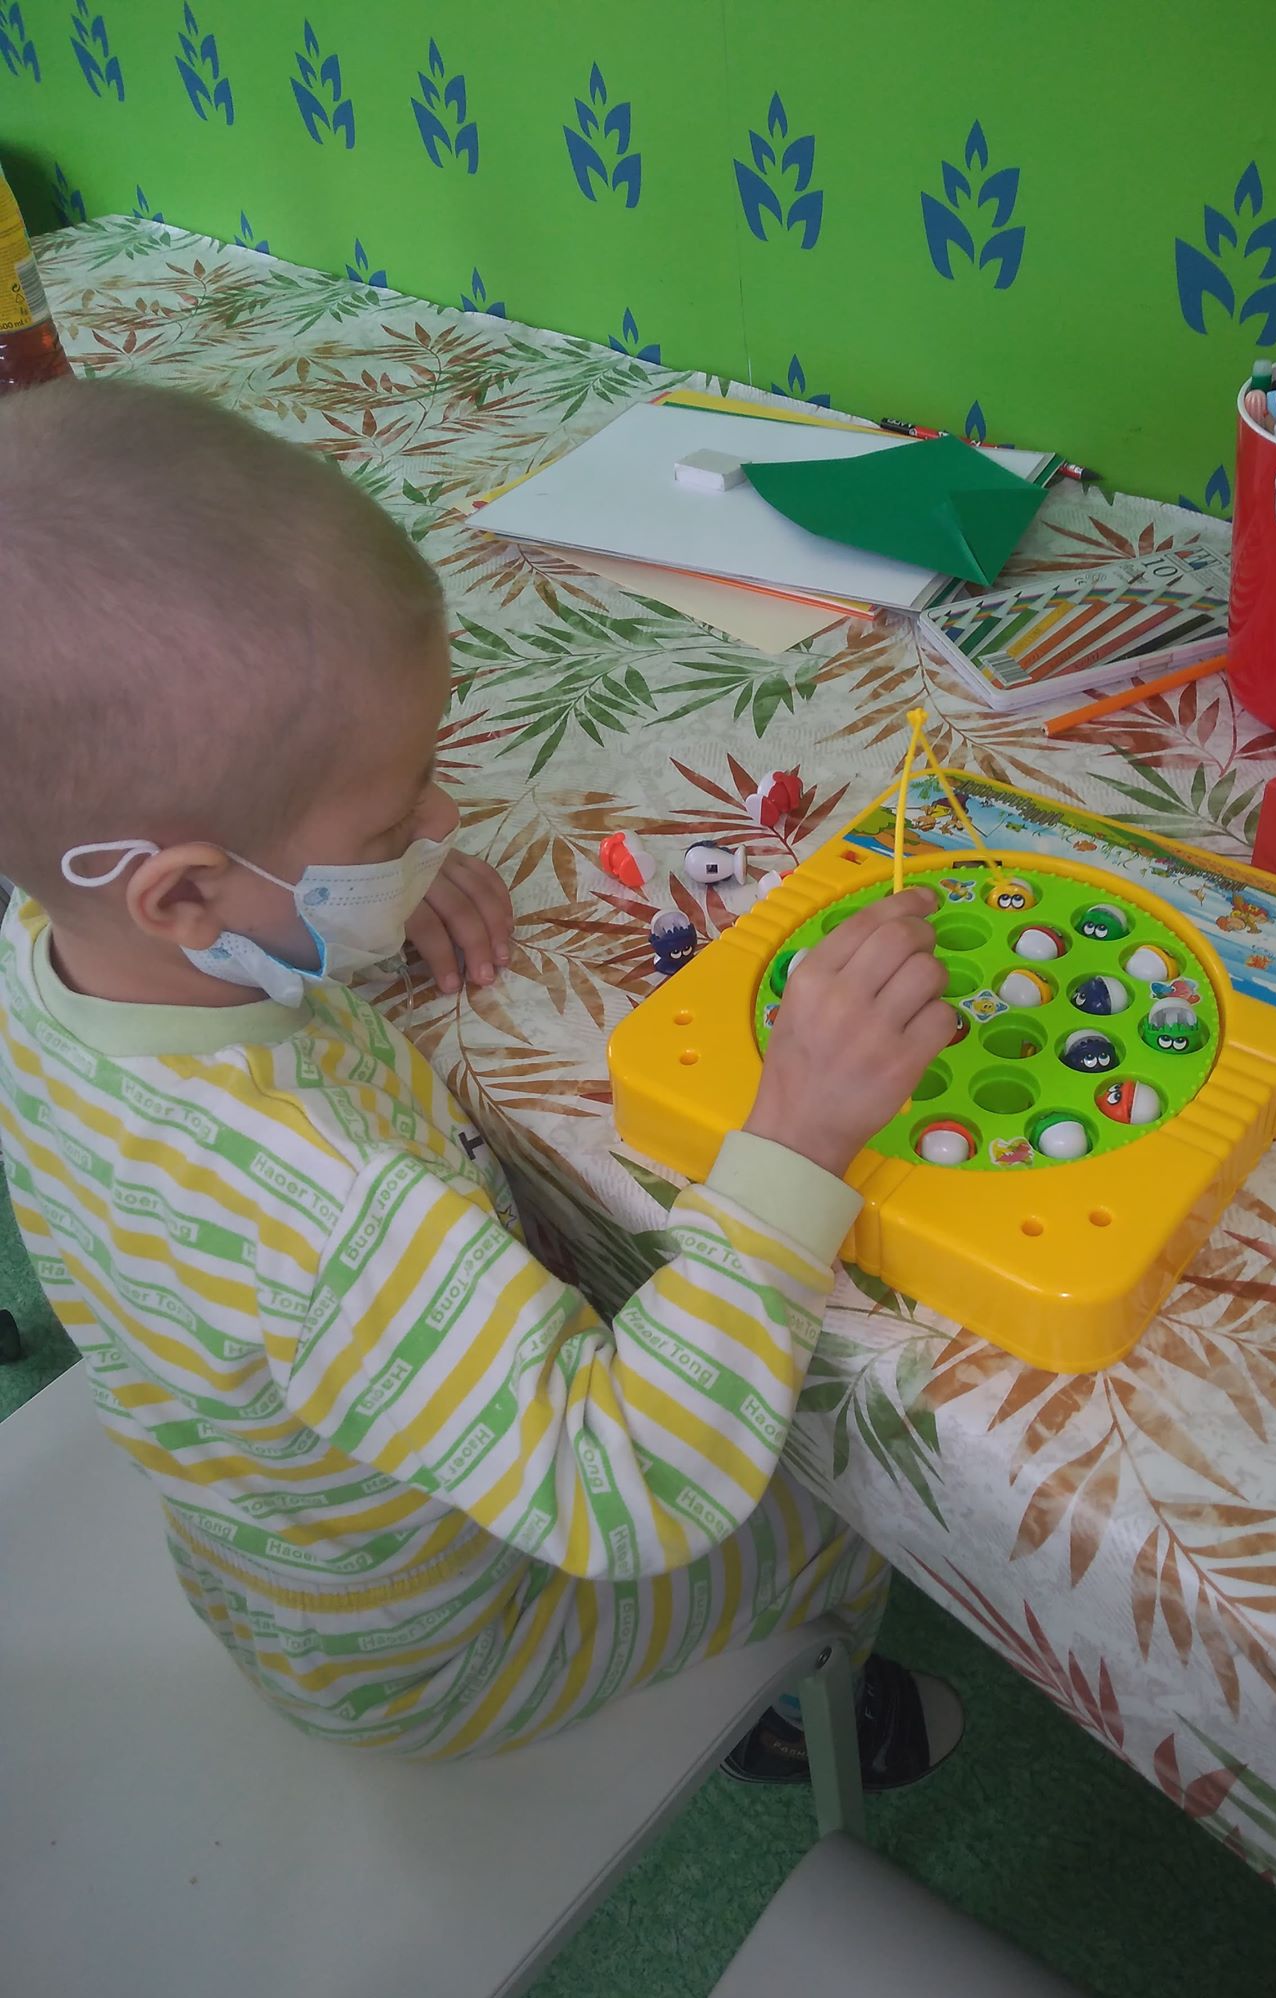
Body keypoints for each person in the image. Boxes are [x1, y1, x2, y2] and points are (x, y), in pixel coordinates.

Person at [0, 379, 963, 1783]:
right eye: (392, 820)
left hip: (282, 1555)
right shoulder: (329, 1214)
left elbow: (226, 951)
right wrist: (795, 1137)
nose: (443, 819)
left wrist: (366, 892)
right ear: (187, 897)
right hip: (446, 1647)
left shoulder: (54, 935)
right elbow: (634, 1487)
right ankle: (803, 1716)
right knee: (841, 1512)